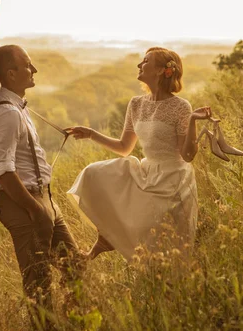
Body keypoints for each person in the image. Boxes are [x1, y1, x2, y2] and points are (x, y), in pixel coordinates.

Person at [66, 47, 212, 261]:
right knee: (93, 174)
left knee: (159, 236)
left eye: (145, 61)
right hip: (147, 172)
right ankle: (102, 245)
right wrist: (91, 134)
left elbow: (188, 155)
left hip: (173, 178)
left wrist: (191, 121)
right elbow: (125, 147)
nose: (139, 65)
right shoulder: (136, 104)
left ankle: (163, 279)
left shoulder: (181, 107)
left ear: (162, 70)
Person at [0, 45, 83, 328]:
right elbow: (3, 171)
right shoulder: (8, 114)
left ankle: (76, 327)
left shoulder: (18, 108)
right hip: (25, 204)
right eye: (28, 65)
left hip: (43, 200)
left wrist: (45, 205)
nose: (35, 69)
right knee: (38, 283)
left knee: (73, 266)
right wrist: (35, 210)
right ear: (11, 73)